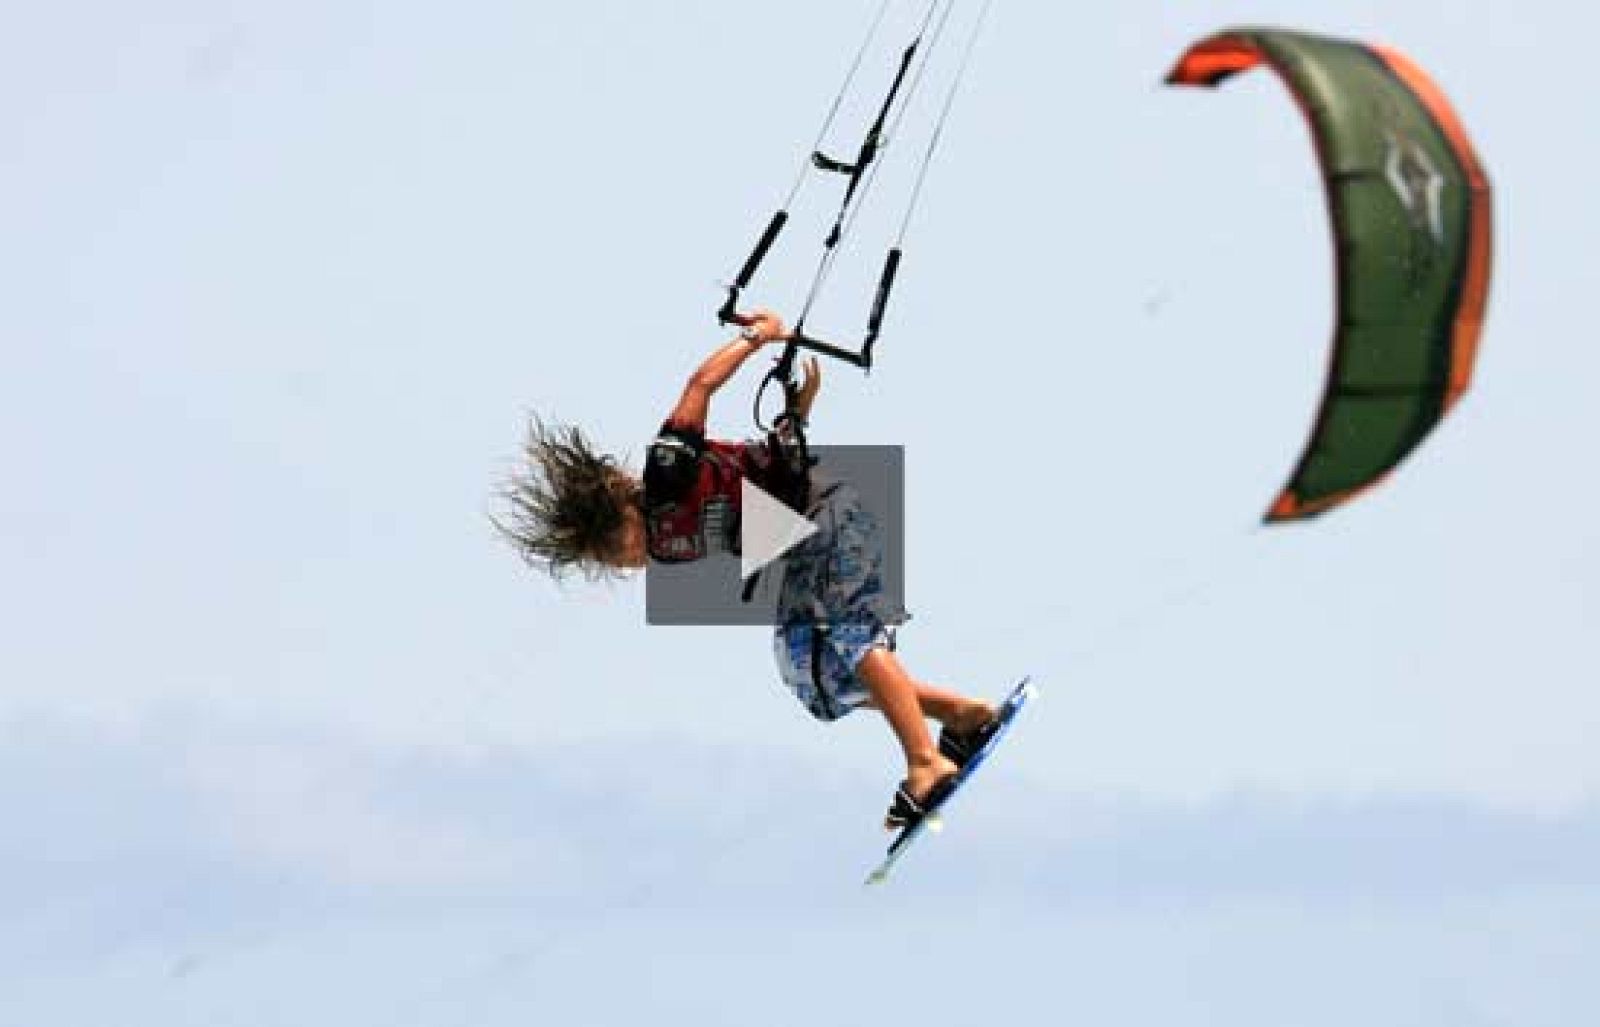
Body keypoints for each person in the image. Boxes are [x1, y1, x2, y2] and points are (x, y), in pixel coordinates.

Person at [497, 310, 996, 829]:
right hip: (802, 545)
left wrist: (757, 337)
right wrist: (794, 418)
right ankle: (962, 715)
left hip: (828, 514)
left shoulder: (667, 473)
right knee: (811, 677)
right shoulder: (665, 548)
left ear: (623, 509)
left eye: (612, 549)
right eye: (607, 562)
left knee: (848, 633)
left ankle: (925, 762)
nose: (621, 564)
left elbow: (700, 385)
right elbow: (757, 474)